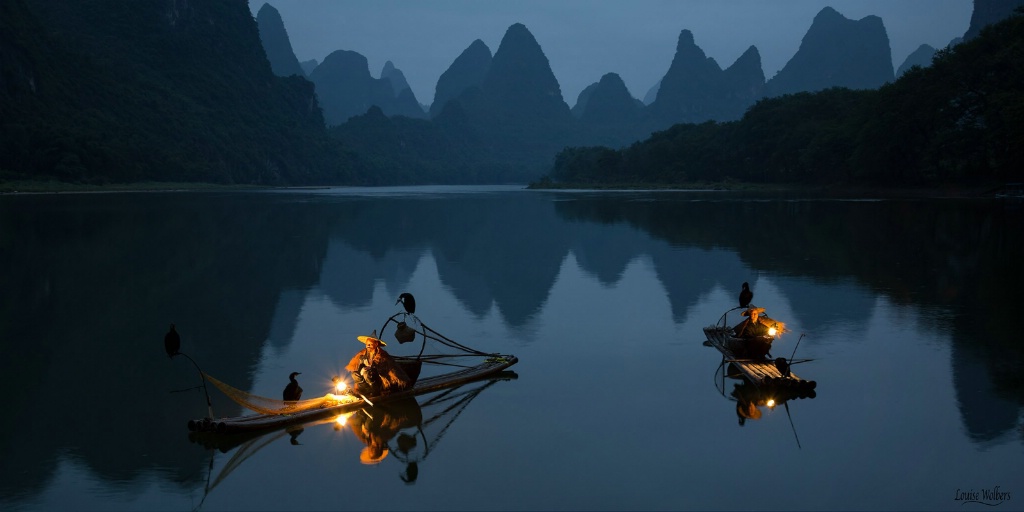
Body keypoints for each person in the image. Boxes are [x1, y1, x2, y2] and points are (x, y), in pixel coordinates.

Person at [346, 333, 412, 394]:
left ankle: (374, 391)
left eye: (370, 344)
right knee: (354, 374)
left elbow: (385, 371)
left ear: (376, 344)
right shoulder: (363, 354)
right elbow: (359, 367)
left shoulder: (382, 355)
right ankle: (365, 389)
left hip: (378, 381)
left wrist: (371, 368)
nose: (368, 346)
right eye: (367, 344)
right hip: (366, 381)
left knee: (368, 373)